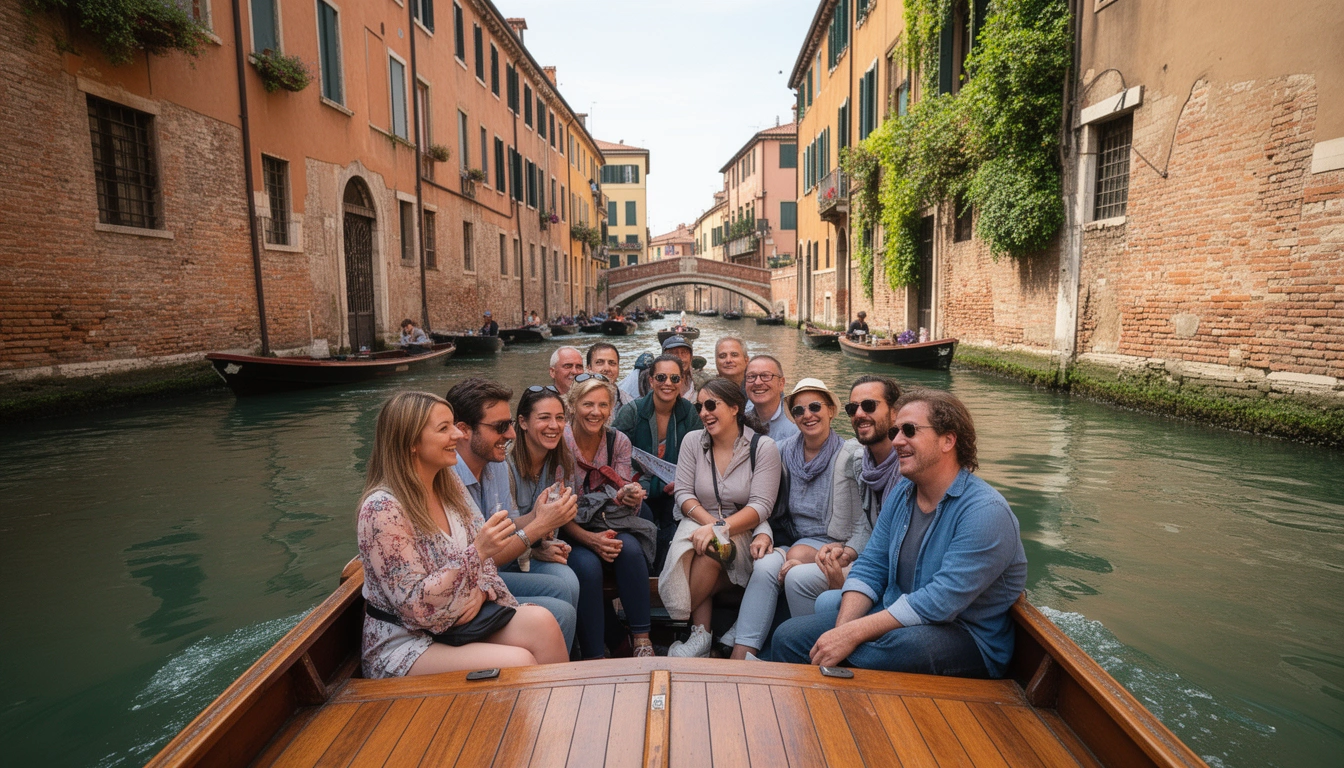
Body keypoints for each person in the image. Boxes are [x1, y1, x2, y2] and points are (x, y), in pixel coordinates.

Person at [767, 389, 1028, 679]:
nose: (897, 440)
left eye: (909, 431)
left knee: (889, 650)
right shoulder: (904, 492)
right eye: (895, 431)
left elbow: (938, 602)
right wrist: (842, 631)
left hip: (965, 635)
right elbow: (872, 565)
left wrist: (851, 634)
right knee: (788, 636)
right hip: (900, 614)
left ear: (948, 440)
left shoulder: (985, 512)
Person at [357, 392, 568, 678]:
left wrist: (483, 593)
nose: (458, 434)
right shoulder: (382, 509)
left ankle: (560, 719)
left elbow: (488, 570)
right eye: (444, 428)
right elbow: (414, 608)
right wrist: (477, 553)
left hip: (457, 621)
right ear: (411, 443)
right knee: (519, 661)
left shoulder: (449, 486)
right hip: (406, 641)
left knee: (544, 623)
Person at [727, 378, 869, 659]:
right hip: (795, 540)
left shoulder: (852, 455)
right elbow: (762, 501)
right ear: (793, 417)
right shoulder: (780, 451)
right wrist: (763, 532)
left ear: (830, 411)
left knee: (795, 576)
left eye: (815, 407)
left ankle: (806, 653)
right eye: (799, 411)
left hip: (839, 546)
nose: (808, 415)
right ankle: (741, 652)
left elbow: (865, 525)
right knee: (765, 565)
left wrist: (844, 552)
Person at [444, 379, 581, 652]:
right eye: (500, 427)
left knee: (567, 582)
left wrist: (536, 516)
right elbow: (484, 555)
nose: (511, 435)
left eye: (509, 424)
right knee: (560, 607)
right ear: (463, 430)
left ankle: (564, 658)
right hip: (468, 581)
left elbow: (505, 528)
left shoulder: (494, 466)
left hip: (486, 572)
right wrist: (539, 525)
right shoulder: (449, 478)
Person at [661, 378, 782, 658]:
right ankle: (702, 636)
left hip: (742, 530)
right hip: (701, 524)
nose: (704, 412)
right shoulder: (693, 441)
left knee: (711, 546)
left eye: (711, 405)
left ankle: (696, 629)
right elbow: (683, 493)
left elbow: (762, 505)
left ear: (734, 408)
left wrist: (721, 528)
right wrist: (711, 525)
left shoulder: (763, 448)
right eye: (699, 406)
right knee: (701, 548)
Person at [562, 374, 657, 659]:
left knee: (628, 549)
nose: (596, 412)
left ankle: (642, 640)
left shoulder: (618, 441)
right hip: (567, 526)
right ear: (573, 405)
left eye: (603, 405)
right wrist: (591, 540)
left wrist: (629, 493)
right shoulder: (559, 444)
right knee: (588, 566)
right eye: (588, 404)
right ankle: (594, 655)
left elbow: (621, 494)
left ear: (611, 408)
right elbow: (557, 511)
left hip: (608, 519)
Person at [611, 354, 703, 570]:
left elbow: (700, 455)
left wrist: (683, 482)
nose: (668, 384)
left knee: (674, 519)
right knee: (645, 517)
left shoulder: (689, 413)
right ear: (651, 380)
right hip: (636, 488)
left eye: (674, 378)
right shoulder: (632, 412)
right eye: (661, 377)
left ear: (682, 381)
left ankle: (665, 576)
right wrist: (628, 486)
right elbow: (612, 452)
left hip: (677, 488)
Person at [743, 355, 799, 444]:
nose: (757, 382)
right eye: (751, 376)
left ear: (781, 383)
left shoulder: (797, 426)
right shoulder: (741, 421)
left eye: (765, 376)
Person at [588, 342, 634, 408]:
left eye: (612, 363)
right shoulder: (574, 400)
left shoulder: (629, 405)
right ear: (589, 368)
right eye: (600, 362)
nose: (607, 368)